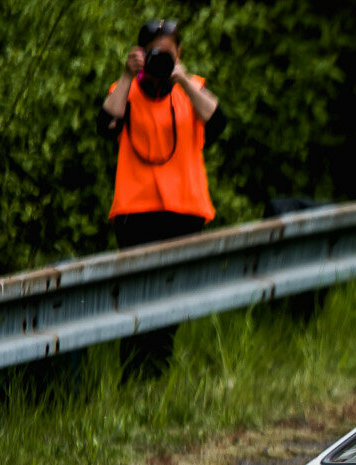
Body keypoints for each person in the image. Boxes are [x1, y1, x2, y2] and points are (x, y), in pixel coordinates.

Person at [97, 18, 225, 376]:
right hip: (136, 214)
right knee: (138, 297)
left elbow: (218, 122)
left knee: (171, 301)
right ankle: (136, 377)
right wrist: (127, 77)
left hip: (184, 212)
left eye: (168, 53)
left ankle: (154, 376)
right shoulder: (124, 92)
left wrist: (181, 78)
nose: (162, 61)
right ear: (140, 54)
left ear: (180, 53)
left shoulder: (193, 89)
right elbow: (106, 125)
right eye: (155, 53)